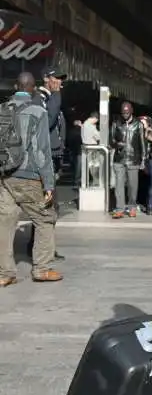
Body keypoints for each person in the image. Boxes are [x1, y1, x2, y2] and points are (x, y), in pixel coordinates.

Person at [0, 72, 63, 286]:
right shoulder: (38, 112)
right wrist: (49, 183)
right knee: (45, 218)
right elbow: (42, 151)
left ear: (16, 86)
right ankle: (42, 269)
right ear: (33, 88)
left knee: (5, 223)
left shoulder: (2, 108)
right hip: (28, 176)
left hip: (5, 176)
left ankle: (5, 273)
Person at [28, 67, 67, 260]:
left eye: (61, 80)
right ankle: (40, 248)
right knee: (46, 205)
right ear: (46, 79)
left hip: (52, 158)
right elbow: (48, 121)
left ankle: (43, 246)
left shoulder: (50, 99)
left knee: (50, 205)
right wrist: (57, 96)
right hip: (43, 160)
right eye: (56, 78)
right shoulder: (40, 99)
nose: (59, 82)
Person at [110, 102, 146, 219]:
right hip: (119, 159)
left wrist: (143, 159)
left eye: (127, 112)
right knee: (119, 185)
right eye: (123, 112)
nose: (125, 114)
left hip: (133, 158)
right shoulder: (116, 123)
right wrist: (117, 144)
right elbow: (111, 140)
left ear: (131, 111)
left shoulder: (138, 124)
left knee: (132, 186)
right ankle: (119, 209)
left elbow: (142, 142)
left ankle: (132, 207)